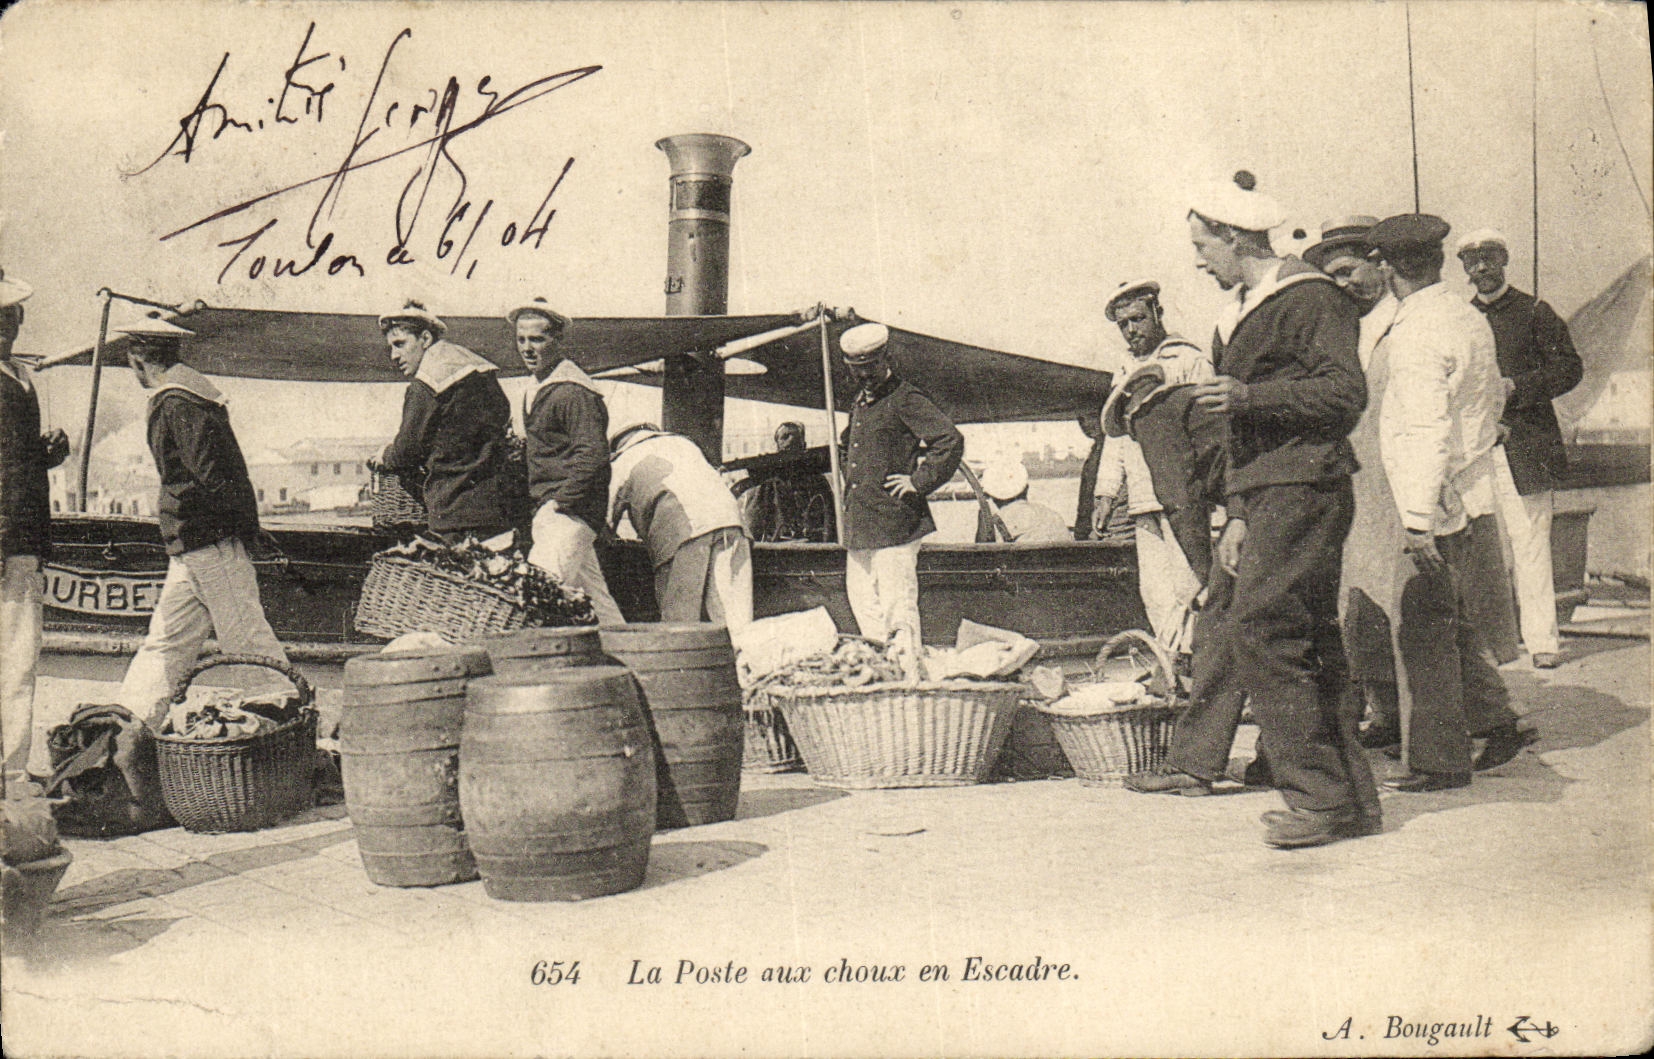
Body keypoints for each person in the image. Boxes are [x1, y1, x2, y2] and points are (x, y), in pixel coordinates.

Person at [1131, 171, 1376, 849]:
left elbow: (1343, 395)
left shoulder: (1310, 299)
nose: (1198, 259)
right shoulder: (1244, 309)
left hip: (1307, 482)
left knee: (1262, 628)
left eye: (1203, 244)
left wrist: (1248, 397)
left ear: (1236, 237)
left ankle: (1320, 797)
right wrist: (1237, 510)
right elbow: (1238, 433)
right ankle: (1347, 797)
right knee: (1306, 634)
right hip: (1269, 490)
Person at [1369, 215, 1535, 792]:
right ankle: (1496, 718)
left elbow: (1425, 427)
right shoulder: (1467, 316)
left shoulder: (1416, 330)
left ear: (1389, 268)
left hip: (1430, 496)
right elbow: (1487, 405)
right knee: (1453, 618)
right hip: (1465, 488)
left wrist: (1416, 520)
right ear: (1438, 262)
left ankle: (1441, 761)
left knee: (1423, 628)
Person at [115, 316, 289, 725]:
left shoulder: (172, 401)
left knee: (170, 644)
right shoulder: (192, 398)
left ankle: (129, 727)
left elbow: (205, 476)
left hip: (194, 540)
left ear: (138, 360)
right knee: (242, 634)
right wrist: (249, 530)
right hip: (207, 541)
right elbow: (219, 475)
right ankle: (284, 720)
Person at [1459, 229, 1585, 669]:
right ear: (1463, 269)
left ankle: (1542, 641)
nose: (1481, 269)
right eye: (1472, 262)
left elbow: (1569, 368)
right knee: (1479, 550)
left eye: (1489, 259)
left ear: (1504, 259)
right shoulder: (1458, 317)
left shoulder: (1534, 312)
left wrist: (1518, 387)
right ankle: (1491, 646)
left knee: (1530, 543)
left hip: (1526, 446)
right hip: (1474, 451)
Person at [1092, 279, 1212, 646]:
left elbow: (1210, 428)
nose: (1131, 330)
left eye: (1138, 319)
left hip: (1184, 493)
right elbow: (1116, 438)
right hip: (1144, 496)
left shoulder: (1189, 359)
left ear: (1157, 312)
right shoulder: (1125, 368)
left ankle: (1202, 664)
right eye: (1123, 324)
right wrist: (1106, 495)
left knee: (1190, 583)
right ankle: (1174, 665)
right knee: (1156, 591)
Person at [838, 322, 964, 662]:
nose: (865, 379)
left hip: (894, 524)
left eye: (869, 371)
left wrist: (918, 482)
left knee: (898, 611)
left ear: (885, 359)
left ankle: (907, 678)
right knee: (864, 606)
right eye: (857, 373)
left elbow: (948, 440)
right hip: (862, 525)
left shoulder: (905, 398)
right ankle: (883, 677)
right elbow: (850, 444)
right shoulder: (861, 402)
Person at [509, 298, 624, 625]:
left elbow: (593, 455)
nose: (527, 348)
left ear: (557, 340)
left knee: (533, 598)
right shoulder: (539, 388)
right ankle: (632, 660)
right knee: (598, 604)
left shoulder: (572, 392)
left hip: (567, 515)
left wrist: (559, 502)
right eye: (521, 339)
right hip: (560, 513)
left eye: (537, 339)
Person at [1, 271, 69, 788]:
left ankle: (11, 771)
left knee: (19, 660)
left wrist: (45, 455)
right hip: (6, 537)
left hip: (24, 537)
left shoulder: (20, 377)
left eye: (11, 313)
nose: (8, 324)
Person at [378, 301, 520, 546]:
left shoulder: (426, 384)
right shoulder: (480, 371)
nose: (394, 356)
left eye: (400, 344)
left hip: (455, 513)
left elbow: (405, 453)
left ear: (425, 338)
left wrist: (384, 455)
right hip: (500, 508)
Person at [609, 424, 752, 637]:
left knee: (681, 622)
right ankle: (747, 666)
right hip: (730, 521)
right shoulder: (684, 443)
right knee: (735, 618)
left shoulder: (623, 461)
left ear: (619, 444)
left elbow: (605, 520)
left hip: (682, 532)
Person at [737, 421, 836, 543]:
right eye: (785, 437)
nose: (790, 439)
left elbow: (830, 519)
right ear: (777, 446)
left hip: (811, 544)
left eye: (794, 436)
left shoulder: (817, 480)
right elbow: (753, 523)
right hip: (778, 546)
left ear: (804, 445)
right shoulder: (767, 483)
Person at [977, 460, 1070, 543]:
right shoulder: (1051, 516)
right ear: (1026, 488)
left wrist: (983, 515)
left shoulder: (997, 522)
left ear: (992, 496)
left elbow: (981, 556)